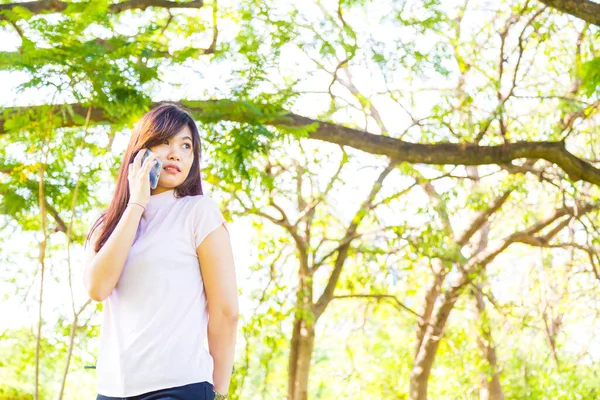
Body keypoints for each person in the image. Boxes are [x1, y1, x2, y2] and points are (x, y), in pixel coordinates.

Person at [83, 103, 238, 400]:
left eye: (186, 146)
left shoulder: (198, 212)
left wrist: (218, 392)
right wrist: (136, 203)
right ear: (139, 151)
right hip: (112, 389)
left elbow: (226, 311)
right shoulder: (108, 223)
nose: (175, 153)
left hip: (178, 386)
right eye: (164, 141)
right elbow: (98, 288)